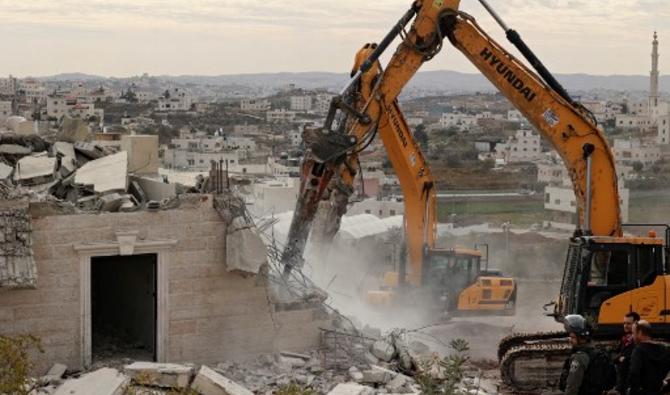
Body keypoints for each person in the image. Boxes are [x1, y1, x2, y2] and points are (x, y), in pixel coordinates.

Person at [627, 320, 670, 395]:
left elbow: (634, 372)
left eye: (633, 333)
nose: (632, 336)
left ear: (640, 332)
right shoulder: (664, 349)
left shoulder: (639, 350)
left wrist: (633, 390)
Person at [613, 311, 639, 393]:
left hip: (630, 382)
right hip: (621, 380)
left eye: (628, 323)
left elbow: (627, 359)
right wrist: (619, 358)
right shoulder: (625, 338)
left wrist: (622, 358)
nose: (625, 326)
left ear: (635, 323)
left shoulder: (637, 341)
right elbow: (615, 356)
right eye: (624, 323)